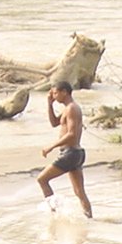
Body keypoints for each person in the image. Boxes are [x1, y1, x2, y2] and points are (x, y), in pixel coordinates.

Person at [37, 81, 93, 218]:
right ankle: (89, 219)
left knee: (42, 179)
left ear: (64, 92)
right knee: (79, 191)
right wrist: (49, 104)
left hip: (71, 153)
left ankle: (54, 214)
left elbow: (72, 134)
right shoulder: (67, 108)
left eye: (55, 93)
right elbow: (54, 123)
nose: (54, 96)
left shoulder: (72, 108)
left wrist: (51, 146)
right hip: (75, 153)